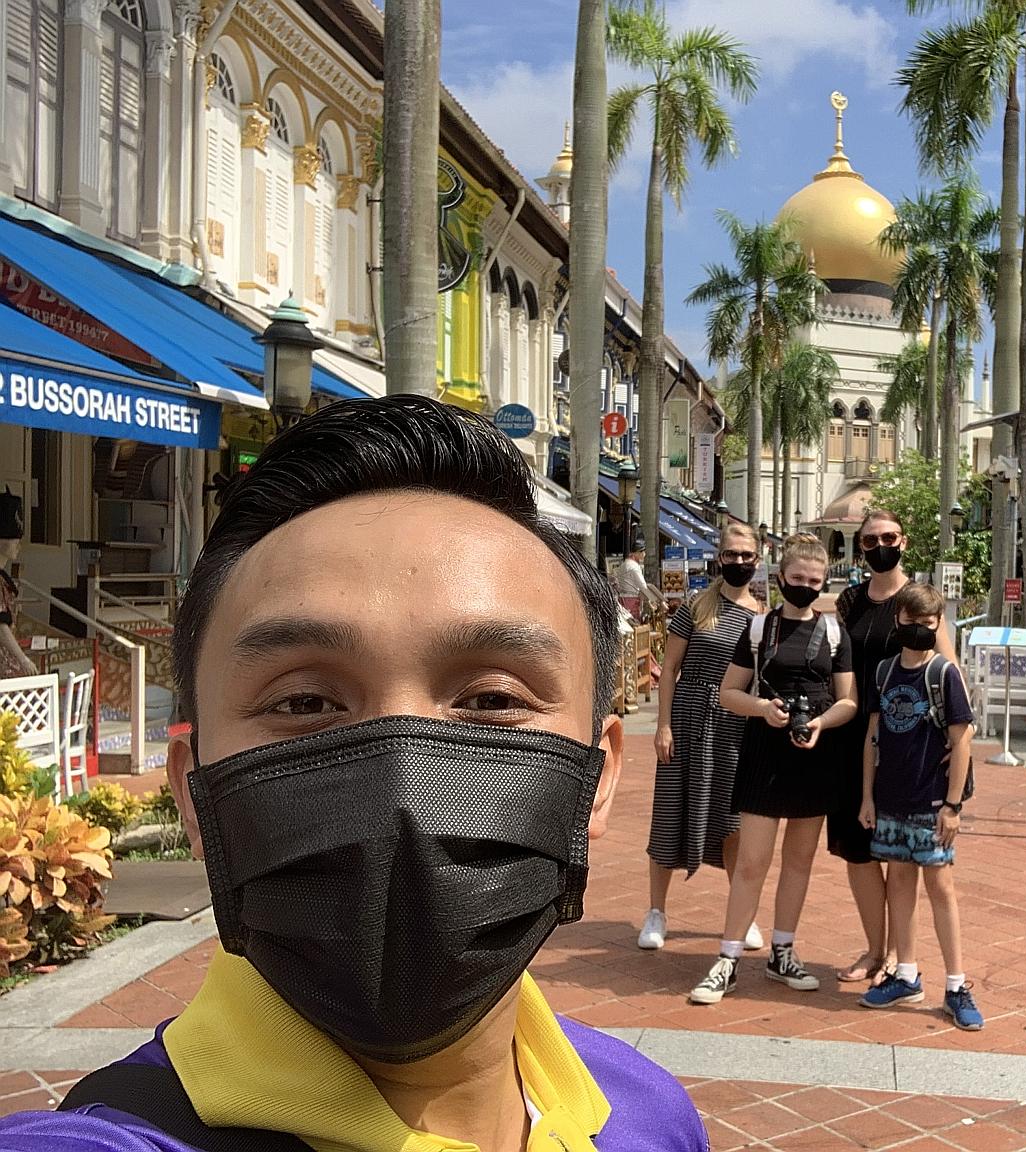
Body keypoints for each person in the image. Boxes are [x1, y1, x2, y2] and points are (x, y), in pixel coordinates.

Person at [0, 396, 706, 1152]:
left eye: (492, 699)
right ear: (193, 793)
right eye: (304, 700)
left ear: (597, 778)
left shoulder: (648, 1113)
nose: (404, 788)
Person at [688, 535, 858, 1005]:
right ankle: (727, 958)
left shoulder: (835, 633)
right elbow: (728, 694)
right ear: (781, 578)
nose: (804, 586)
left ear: (823, 583)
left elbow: (849, 700)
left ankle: (783, 950)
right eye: (797, 578)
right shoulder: (760, 629)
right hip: (765, 754)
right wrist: (764, 708)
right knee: (751, 863)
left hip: (814, 754)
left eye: (814, 581)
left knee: (799, 862)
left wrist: (821, 722)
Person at [829, 510, 959, 985]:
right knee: (859, 852)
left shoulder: (918, 601)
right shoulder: (848, 601)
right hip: (855, 738)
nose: (879, 545)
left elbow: (950, 670)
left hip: (912, 745)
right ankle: (874, 948)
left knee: (907, 859)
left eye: (887, 537)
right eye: (869, 540)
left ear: (903, 541)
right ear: (859, 547)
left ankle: (901, 958)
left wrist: (953, 741)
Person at [857, 582, 983, 1031]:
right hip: (891, 800)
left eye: (928, 625)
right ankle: (906, 973)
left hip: (930, 803)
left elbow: (961, 741)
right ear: (899, 622)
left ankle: (956, 983)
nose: (919, 631)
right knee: (900, 886)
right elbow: (872, 737)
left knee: (941, 889)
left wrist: (952, 805)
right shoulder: (885, 671)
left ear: (937, 625)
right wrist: (867, 796)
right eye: (912, 623)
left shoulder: (944, 674)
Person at [640, 521, 765, 952]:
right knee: (669, 813)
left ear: (758, 559)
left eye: (746, 555)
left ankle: (740, 913)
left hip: (733, 727)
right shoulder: (696, 607)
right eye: (731, 554)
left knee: (732, 825)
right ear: (719, 557)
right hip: (689, 720)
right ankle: (656, 911)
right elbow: (668, 669)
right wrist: (663, 724)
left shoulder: (762, 619)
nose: (739, 562)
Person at [0, 488, 37, 678]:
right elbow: (0, 626)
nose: (17, 544)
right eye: (12, 539)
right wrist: (23, 659)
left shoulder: (3, 580)